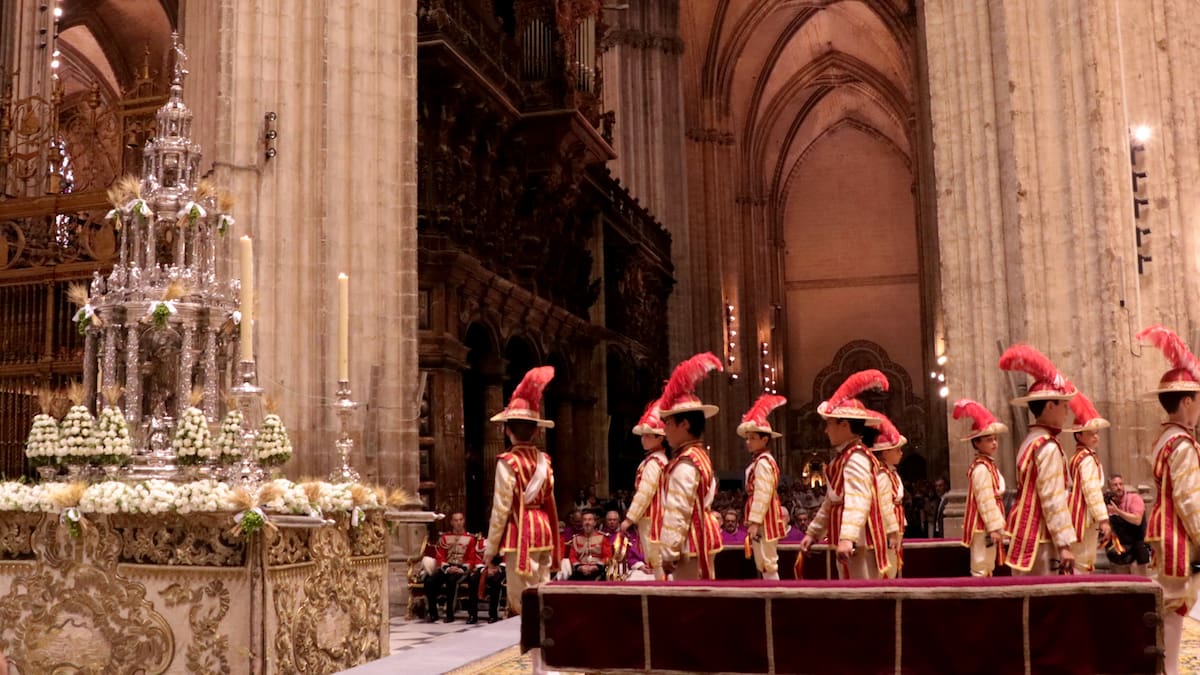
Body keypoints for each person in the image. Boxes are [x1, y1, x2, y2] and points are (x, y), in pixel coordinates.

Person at [1136, 325, 1200, 675]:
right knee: (1176, 607)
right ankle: (1170, 671)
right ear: (1186, 402)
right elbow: (1190, 500)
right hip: (1177, 534)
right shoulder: (1183, 444)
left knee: (1170, 607)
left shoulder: (1165, 438)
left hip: (1163, 528)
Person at [800, 369, 893, 579]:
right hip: (850, 540)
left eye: (829, 424)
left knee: (860, 591)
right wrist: (813, 532)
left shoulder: (856, 457)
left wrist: (848, 538)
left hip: (857, 542)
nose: (826, 430)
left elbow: (857, 500)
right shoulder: (843, 458)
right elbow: (831, 501)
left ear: (844, 425)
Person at [483, 366, 561, 616]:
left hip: (520, 533)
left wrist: (490, 549)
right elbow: (550, 501)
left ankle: (527, 639)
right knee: (543, 590)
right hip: (544, 529)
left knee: (521, 600)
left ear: (507, 430)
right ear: (536, 430)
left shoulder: (508, 462)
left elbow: (501, 509)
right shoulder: (545, 461)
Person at [997, 344, 1078, 575]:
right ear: (1050, 406)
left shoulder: (1030, 440)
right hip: (1040, 538)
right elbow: (1052, 496)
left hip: (1023, 532)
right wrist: (1063, 544)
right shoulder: (1048, 446)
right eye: (1064, 405)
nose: (1067, 411)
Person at [654, 352, 724, 580]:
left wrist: (668, 551)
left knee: (690, 595)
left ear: (684, 424)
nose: (664, 430)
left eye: (668, 423)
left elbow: (678, 509)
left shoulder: (685, 463)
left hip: (690, 541)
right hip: (702, 534)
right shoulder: (699, 455)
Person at [953, 399, 1009, 577]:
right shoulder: (981, 468)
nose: (994, 443)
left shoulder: (988, 465)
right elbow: (985, 500)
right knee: (981, 565)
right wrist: (993, 527)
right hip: (981, 525)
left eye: (995, 439)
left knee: (988, 565)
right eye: (989, 440)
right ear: (977, 443)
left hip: (987, 524)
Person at [738, 393, 789, 580]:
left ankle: (774, 593)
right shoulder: (760, 461)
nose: (748, 442)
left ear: (764, 439)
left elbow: (763, 493)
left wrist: (755, 521)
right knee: (763, 560)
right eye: (747, 438)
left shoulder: (764, 462)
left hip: (765, 517)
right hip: (763, 516)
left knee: (767, 560)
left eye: (752, 438)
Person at [621, 399, 669, 578]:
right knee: (656, 562)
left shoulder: (654, 462)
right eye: (643, 435)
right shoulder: (657, 460)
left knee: (657, 562)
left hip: (653, 518)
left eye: (648, 436)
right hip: (655, 516)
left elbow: (645, 493)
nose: (643, 439)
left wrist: (629, 519)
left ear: (660, 438)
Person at [1065, 390, 1112, 574]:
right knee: (1084, 562)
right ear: (1079, 435)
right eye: (1091, 434)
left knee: (1080, 561)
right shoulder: (1086, 459)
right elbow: (1091, 490)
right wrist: (1103, 519)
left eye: (1097, 433)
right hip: (1083, 516)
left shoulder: (1076, 456)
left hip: (1075, 511)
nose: (1096, 437)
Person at [424, 512, 491, 623]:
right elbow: (440, 556)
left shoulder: (470, 538)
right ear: (451, 522)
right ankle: (433, 614)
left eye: (460, 520)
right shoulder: (444, 538)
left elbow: (471, 558)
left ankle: (449, 614)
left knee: (452, 581)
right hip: (447, 567)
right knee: (429, 582)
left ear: (464, 521)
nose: (458, 523)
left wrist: (462, 569)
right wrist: (447, 568)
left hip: (462, 568)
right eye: (456, 520)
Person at [869, 415, 905, 578]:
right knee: (888, 567)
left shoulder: (891, 473)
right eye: (897, 450)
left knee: (894, 564)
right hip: (886, 527)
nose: (901, 453)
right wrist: (892, 531)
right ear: (885, 453)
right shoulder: (883, 475)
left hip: (896, 520)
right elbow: (884, 505)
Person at [1105, 474, 1148, 574]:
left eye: (1121, 484)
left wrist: (1117, 511)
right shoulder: (1108, 502)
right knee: (1121, 583)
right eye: (1115, 485)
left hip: (1137, 553)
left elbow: (1137, 520)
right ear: (1109, 488)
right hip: (1120, 554)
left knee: (1139, 582)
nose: (1119, 487)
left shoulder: (1134, 498)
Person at [567, 512, 612, 581]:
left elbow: (607, 556)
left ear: (594, 523)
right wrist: (580, 567)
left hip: (598, 571)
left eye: (590, 519)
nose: (587, 522)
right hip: (580, 571)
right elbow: (572, 557)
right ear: (582, 523)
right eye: (585, 520)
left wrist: (595, 567)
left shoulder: (603, 537)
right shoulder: (576, 539)